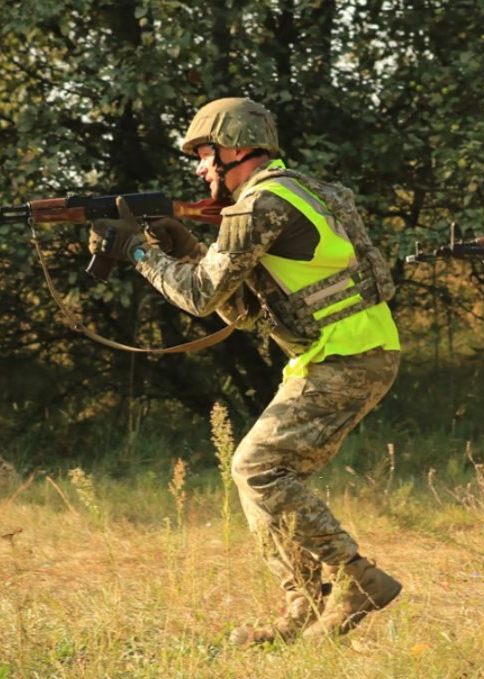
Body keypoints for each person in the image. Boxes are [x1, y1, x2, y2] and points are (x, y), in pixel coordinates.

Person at [88, 97, 403, 644]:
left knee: (258, 468)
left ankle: (356, 578)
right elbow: (249, 310)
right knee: (262, 477)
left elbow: (201, 298)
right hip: (354, 349)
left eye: (205, 154)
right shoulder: (311, 190)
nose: (200, 168)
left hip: (344, 354)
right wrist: (186, 247)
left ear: (235, 148)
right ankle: (303, 605)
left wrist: (138, 254)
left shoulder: (259, 205)